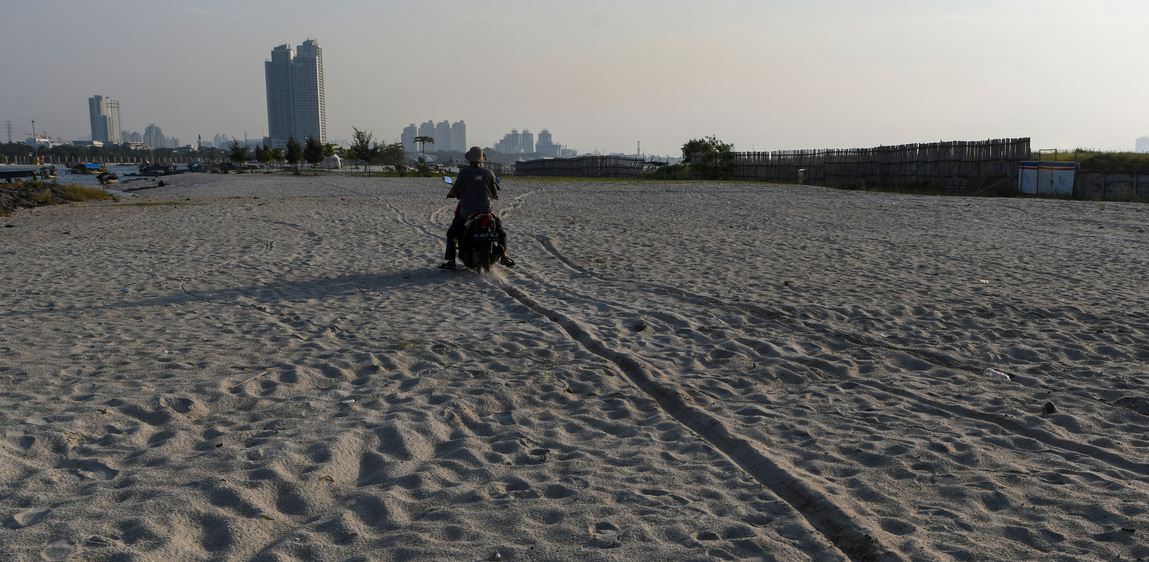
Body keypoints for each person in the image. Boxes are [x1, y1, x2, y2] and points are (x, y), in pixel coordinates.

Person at [440, 146, 515, 269]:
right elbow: (494, 194)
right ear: (481, 159)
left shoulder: (464, 172)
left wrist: (451, 194)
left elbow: (455, 189)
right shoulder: (488, 173)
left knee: (452, 234)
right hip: (486, 211)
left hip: (466, 212)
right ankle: (504, 256)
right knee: (501, 232)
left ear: (469, 159)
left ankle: (451, 262)